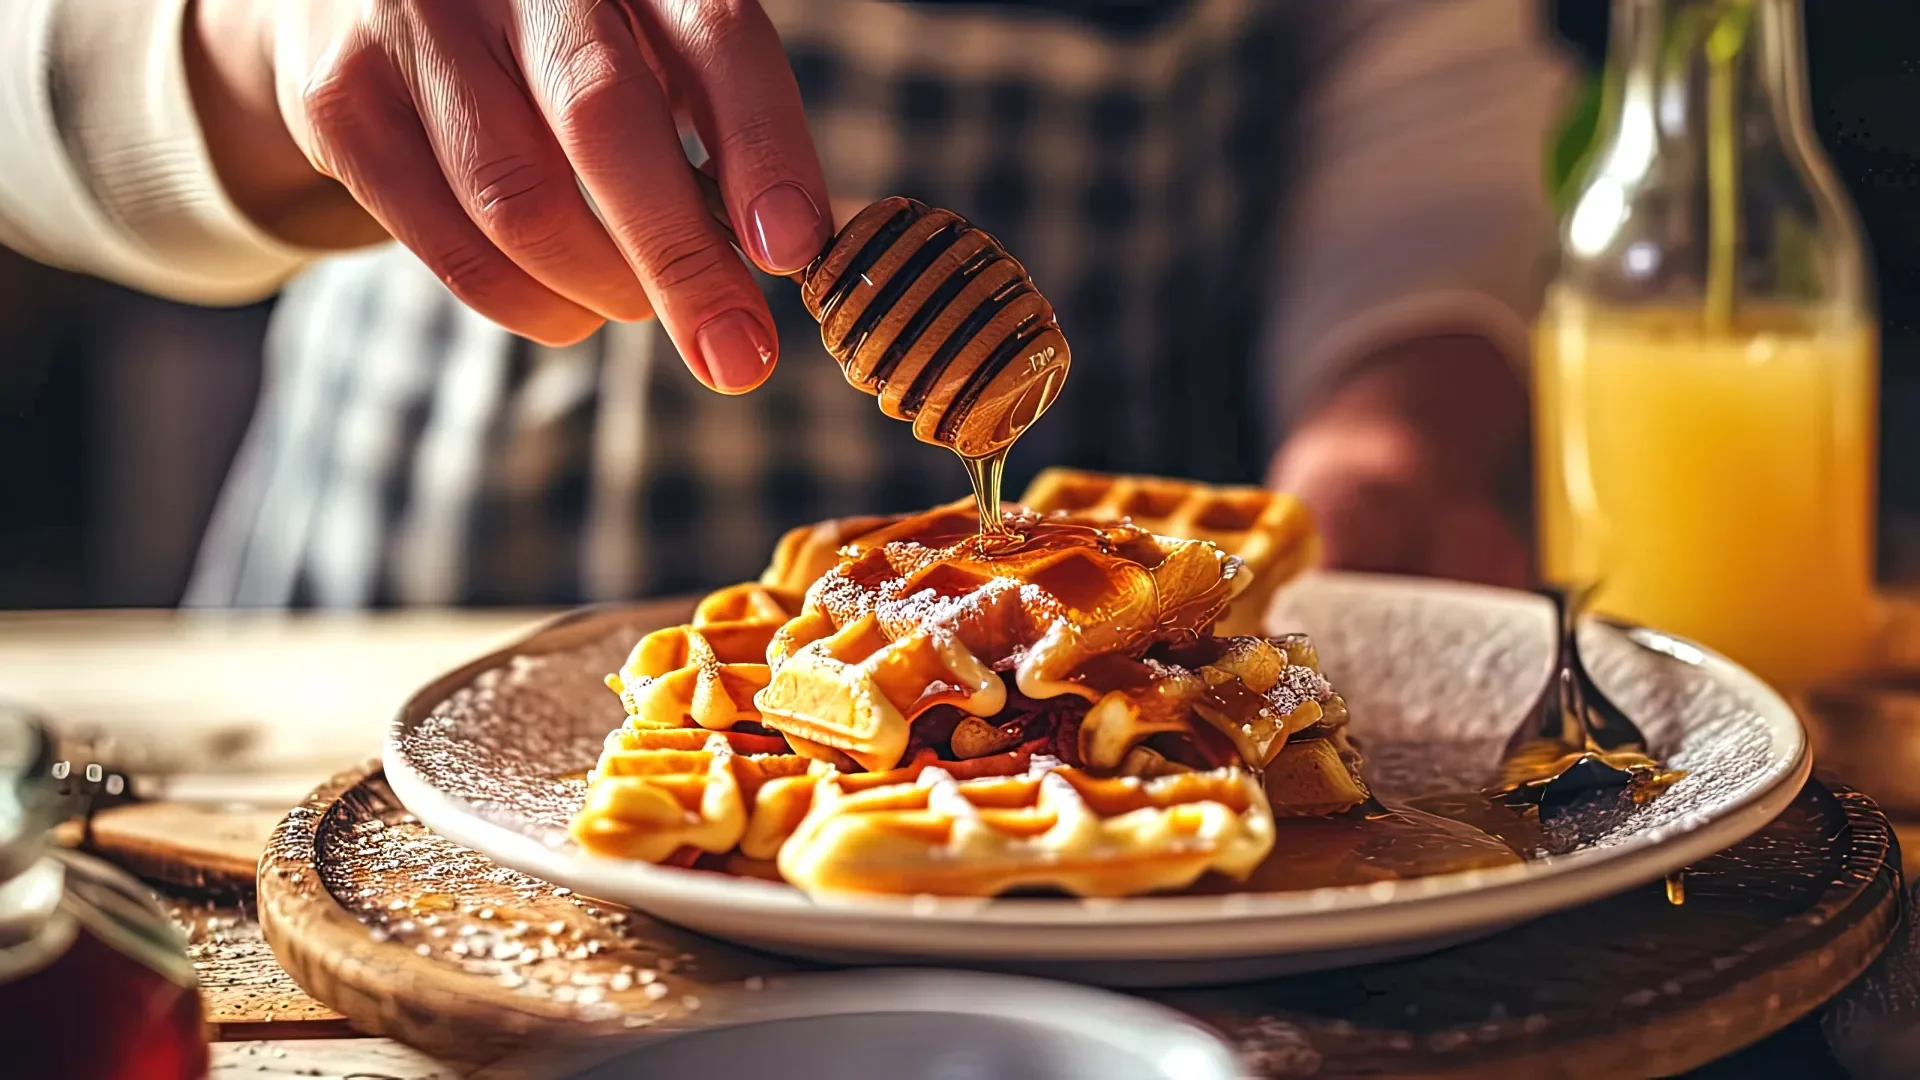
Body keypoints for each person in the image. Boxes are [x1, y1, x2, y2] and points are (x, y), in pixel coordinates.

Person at [0, 0, 1566, 607]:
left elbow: (1423, 98)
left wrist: (1387, 444)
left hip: (1124, 920)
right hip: (389, 639)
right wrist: (259, 43)